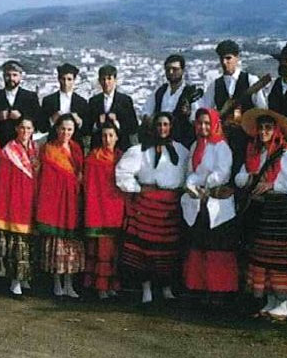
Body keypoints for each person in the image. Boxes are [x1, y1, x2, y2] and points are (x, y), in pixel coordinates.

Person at [235, 108, 287, 322]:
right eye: (260, 128)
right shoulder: (254, 153)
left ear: (276, 130)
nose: (263, 132)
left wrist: (272, 184)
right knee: (264, 257)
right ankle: (270, 301)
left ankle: (282, 304)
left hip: (280, 213)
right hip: (261, 212)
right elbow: (239, 177)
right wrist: (249, 179)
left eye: (268, 128)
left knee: (281, 258)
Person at [116, 113, 190, 304]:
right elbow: (123, 173)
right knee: (144, 250)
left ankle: (166, 287)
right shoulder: (141, 150)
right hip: (147, 204)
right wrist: (138, 189)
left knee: (168, 250)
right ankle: (146, 289)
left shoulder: (181, 151)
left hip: (169, 207)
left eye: (166, 124)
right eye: (159, 124)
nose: (162, 128)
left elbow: (188, 174)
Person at [180, 108, 239, 297]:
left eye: (207, 123)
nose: (203, 126)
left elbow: (223, 172)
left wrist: (205, 183)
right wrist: (191, 184)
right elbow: (191, 171)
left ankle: (219, 291)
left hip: (216, 204)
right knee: (200, 246)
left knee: (217, 248)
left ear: (214, 124)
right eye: (200, 123)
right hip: (200, 203)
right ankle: (200, 287)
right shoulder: (195, 146)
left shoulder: (220, 146)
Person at [36, 114, 85, 298]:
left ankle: (69, 283)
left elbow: (81, 174)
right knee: (57, 244)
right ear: (57, 129)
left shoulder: (77, 149)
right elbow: (46, 179)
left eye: (70, 129)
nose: (66, 133)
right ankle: (57, 282)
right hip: (56, 202)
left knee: (71, 245)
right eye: (63, 129)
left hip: (73, 201)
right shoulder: (48, 149)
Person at [0, 117, 40, 299]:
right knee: (17, 245)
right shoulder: (8, 151)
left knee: (29, 244)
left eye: (28, 128)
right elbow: (3, 183)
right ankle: (15, 282)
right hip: (15, 202)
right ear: (16, 129)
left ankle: (25, 278)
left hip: (31, 201)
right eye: (22, 127)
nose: (25, 131)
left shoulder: (36, 149)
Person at [82, 122, 126, 299]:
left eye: (111, 135)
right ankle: (99, 287)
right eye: (104, 136)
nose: (107, 139)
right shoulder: (93, 157)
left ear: (116, 137)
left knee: (114, 249)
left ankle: (112, 285)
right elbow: (89, 185)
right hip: (99, 207)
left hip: (116, 206)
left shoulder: (122, 157)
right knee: (101, 248)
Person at [142, 54, 200, 147]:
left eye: (175, 69)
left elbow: (196, 118)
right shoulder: (160, 91)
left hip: (181, 143)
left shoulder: (191, 93)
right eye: (168, 69)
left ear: (182, 70)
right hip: (159, 142)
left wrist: (188, 113)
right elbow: (146, 111)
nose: (171, 72)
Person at [200, 39, 267, 119]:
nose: (224, 62)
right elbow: (205, 110)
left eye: (228, 58)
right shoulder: (214, 85)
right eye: (222, 58)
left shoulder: (251, 80)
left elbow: (262, 110)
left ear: (237, 58)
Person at [0, 60, 41, 146]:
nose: (11, 78)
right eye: (8, 75)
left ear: (20, 77)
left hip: (23, 145)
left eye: (15, 75)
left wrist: (21, 117)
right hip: (0, 145)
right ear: (3, 76)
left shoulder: (30, 97)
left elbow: (38, 124)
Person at [87, 64, 139, 150]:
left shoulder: (125, 101)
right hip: (98, 148)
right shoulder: (93, 101)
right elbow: (88, 128)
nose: (106, 82)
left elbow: (133, 127)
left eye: (109, 78)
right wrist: (97, 124)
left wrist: (117, 123)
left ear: (115, 80)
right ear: (99, 81)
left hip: (121, 147)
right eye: (103, 79)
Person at [39, 63, 89, 143]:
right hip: (53, 144)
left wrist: (79, 121)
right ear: (59, 79)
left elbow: (86, 130)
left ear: (74, 80)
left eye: (69, 79)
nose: (65, 83)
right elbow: (42, 128)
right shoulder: (48, 101)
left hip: (75, 145)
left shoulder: (82, 102)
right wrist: (52, 120)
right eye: (63, 79)